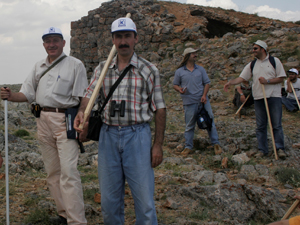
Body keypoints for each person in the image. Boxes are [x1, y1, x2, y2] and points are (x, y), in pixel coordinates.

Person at [74, 17, 166, 224]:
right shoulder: (102, 69)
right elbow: (89, 96)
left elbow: (160, 108)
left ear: (135, 39)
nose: (123, 41)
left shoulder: (148, 70)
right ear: (113, 40)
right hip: (108, 136)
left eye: (127, 36)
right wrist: (83, 113)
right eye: (118, 37)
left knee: (144, 201)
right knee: (109, 201)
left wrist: (157, 145)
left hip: (138, 136)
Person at [0, 27, 88, 224]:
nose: (52, 44)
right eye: (48, 41)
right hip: (42, 120)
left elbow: (84, 96)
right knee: (53, 172)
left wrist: (82, 115)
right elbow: (27, 93)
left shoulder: (75, 65)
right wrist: (11, 96)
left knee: (69, 172)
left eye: (56, 40)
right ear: (44, 44)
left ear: (63, 43)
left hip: (65, 120)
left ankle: (77, 221)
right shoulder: (38, 66)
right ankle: (63, 214)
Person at [224, 40, 287, 159]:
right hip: (258, 97)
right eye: (253, 48)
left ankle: (279, 149)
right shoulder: (252, 64)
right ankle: (262, 150)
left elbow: (281, 78)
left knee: (276, 124)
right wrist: (230, 83)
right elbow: (242, 78)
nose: (253, 50)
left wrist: (267, 81)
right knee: (261, 125)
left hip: (273, 97)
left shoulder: (274, 61)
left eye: (255, 48)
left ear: (263, 49)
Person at [173, 47, 222, 157]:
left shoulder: (200, 69)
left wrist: (204, 95)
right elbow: (175, 85)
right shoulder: (180, 71)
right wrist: (179, 89)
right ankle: (188, 146)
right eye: (193, 53)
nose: (195, 55)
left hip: (203, 101)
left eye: (195, 53)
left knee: (210, 122)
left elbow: (207, 83)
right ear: (187, 56)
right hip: (189, 102)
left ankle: (216, 144)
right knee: (190, 125)